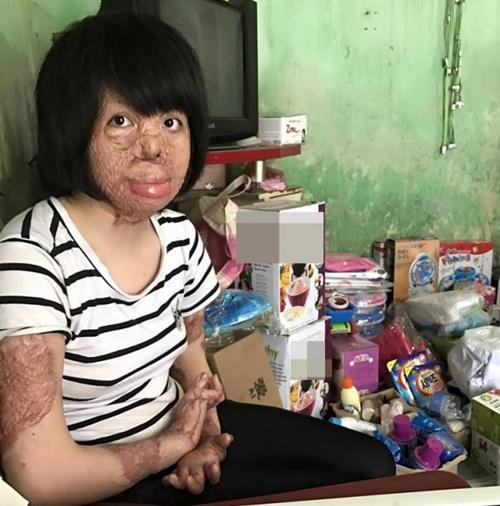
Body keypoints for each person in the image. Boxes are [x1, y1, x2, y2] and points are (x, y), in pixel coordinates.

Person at [0, 11, 395, 506]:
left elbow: (191, 354)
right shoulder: (32, 257)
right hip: (94, 480)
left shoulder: (177, 234)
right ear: (71, 130)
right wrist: (170, 448)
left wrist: (205, 434)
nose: (154, 147)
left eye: (171, 122)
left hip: (177, 430)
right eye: (121, 121)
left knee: (371, 469)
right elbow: (41, 477)